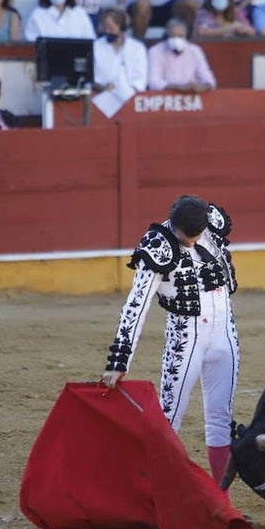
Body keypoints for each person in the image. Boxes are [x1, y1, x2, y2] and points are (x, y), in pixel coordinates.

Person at [100, 195, 241, 485]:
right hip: (185, 339)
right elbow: (135, 307)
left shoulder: (211, 223)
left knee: (221, 420)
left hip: (224, 334)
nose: (189, 242)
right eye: (183, 237)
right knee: (168, 418)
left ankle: (221, 503)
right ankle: (152, 497)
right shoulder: (158, 246)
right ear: (172, 224)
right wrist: (118, 361)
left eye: (195, 236)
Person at [92, 7, 147, 107]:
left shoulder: (137, 48)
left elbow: (140, 79)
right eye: (105, 28)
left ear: (122, 27)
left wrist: (124, 90)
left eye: (111, 29)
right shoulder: (95, 46)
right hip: (101, 97)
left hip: (130, 99)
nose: (108, 32)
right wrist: (102, 87)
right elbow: (91, 78)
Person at [146, 18, 215, 91]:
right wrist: (179, 88)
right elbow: (153, 82)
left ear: (186, 37)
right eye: (173, 36)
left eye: (180, 36)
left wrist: (202, 87)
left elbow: (209, 80)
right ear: (167, 36)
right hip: (166, 96)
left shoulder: (195, 51)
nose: (177, 40)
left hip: (191, 95)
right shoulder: (155, 51)